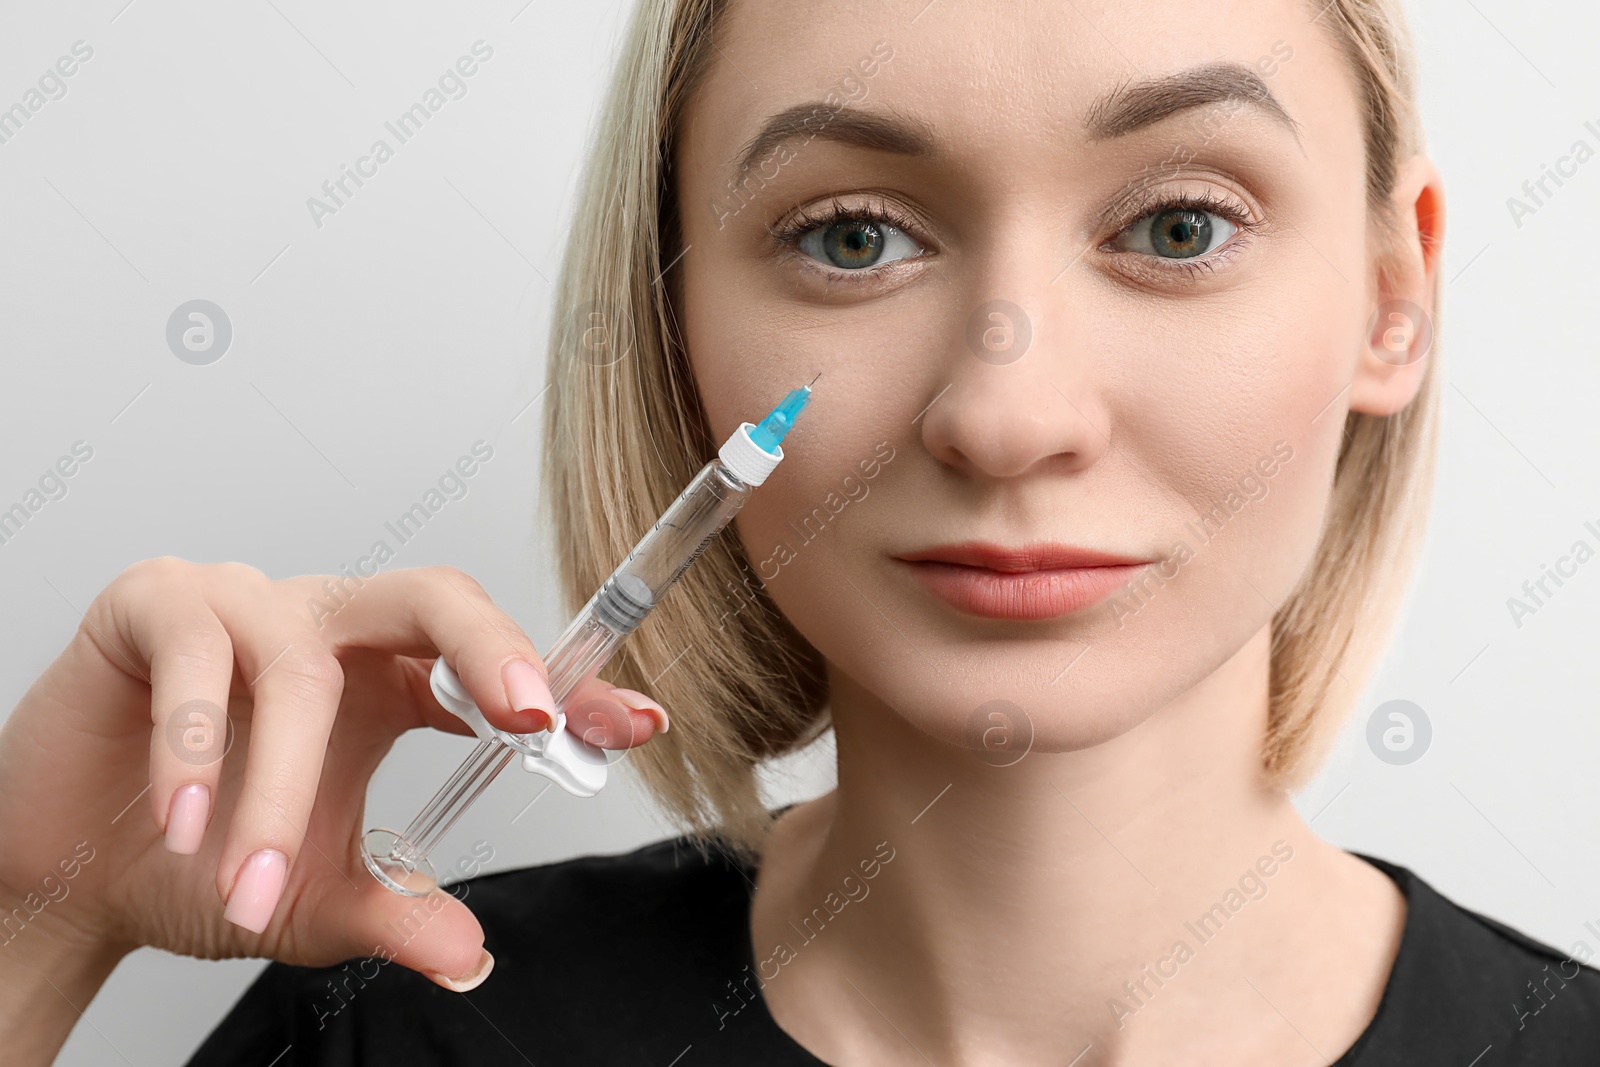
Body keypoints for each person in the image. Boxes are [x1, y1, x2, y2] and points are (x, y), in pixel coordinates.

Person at [4, 0, 1598, 1063]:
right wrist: (37, 913)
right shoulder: (412, 1034)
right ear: (677, 315)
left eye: (1179, 226)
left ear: (1397, 300)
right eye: (853, 237)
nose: (1006, 412)